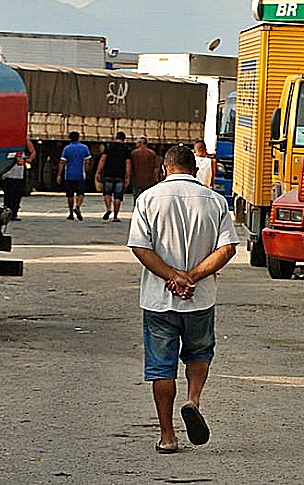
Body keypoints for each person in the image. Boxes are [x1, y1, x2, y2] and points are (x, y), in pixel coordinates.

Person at [128, 145, 239, 454]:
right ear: (195, 168)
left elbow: (140, 247)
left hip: (159, 299)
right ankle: (193, 400)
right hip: (200, 297)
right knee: (199, 353)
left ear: (165, 169)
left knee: (161, 368)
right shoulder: (215, 201)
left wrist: (172, 276)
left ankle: (167, 436)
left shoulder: (147, 199)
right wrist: (193, 276)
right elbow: (228, 248)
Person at [96, 131, 132, 222]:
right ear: (124, 139)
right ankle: (115, 216)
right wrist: (128, 176)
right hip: (120, 175)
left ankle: (108, 209)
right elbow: (128, 163)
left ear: (116, 137)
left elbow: (103, 160)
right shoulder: (126, 149)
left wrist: (98, 172)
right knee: (118, 196)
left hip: (108, 174)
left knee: (107, 193)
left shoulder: (109, 147)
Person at [57, 131, 91, 221]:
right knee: (80, 193)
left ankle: (71, 213)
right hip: (80, 174)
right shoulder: (84, 148)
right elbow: (87, 161)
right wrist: (87, 171)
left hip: (69, 175)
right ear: (78, 137)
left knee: (70, 195)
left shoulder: (67, 148)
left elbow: (62, 162)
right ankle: (78, 207)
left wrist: (59, 175)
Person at [2, 139, 36, 221]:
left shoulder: (25, 142)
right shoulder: (7, 142)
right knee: (8, 194)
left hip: (19, 173)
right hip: (7, 173)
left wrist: (27, 160)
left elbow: (33, 152)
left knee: (17, 194)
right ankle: (7, 213)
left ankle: (14, 213)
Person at [130, 136, 160, 202]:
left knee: (137, 198)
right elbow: (156, 167)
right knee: (148, 199)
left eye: (137, 143)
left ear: (141, 143)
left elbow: (130, 166)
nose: (136, 144)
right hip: (149, 180)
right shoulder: (152, 153)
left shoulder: (134, 153)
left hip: (137, 180)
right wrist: (155, 178)